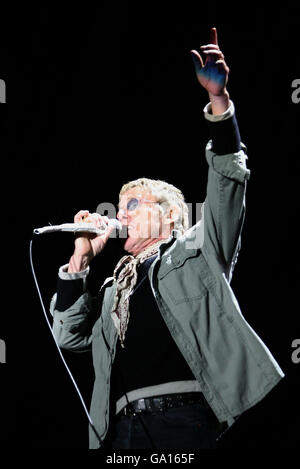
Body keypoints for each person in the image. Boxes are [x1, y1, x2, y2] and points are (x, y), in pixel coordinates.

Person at [51, 28, 284, 449]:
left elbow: (228, 178)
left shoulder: (196, 249)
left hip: (184, 422)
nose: (120, 216)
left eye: (134, 205)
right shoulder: (111, 290)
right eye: (119, 208)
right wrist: (79, 258)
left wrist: (219, 101)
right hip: (120, 431)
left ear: (170, 214)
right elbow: (69, 339)